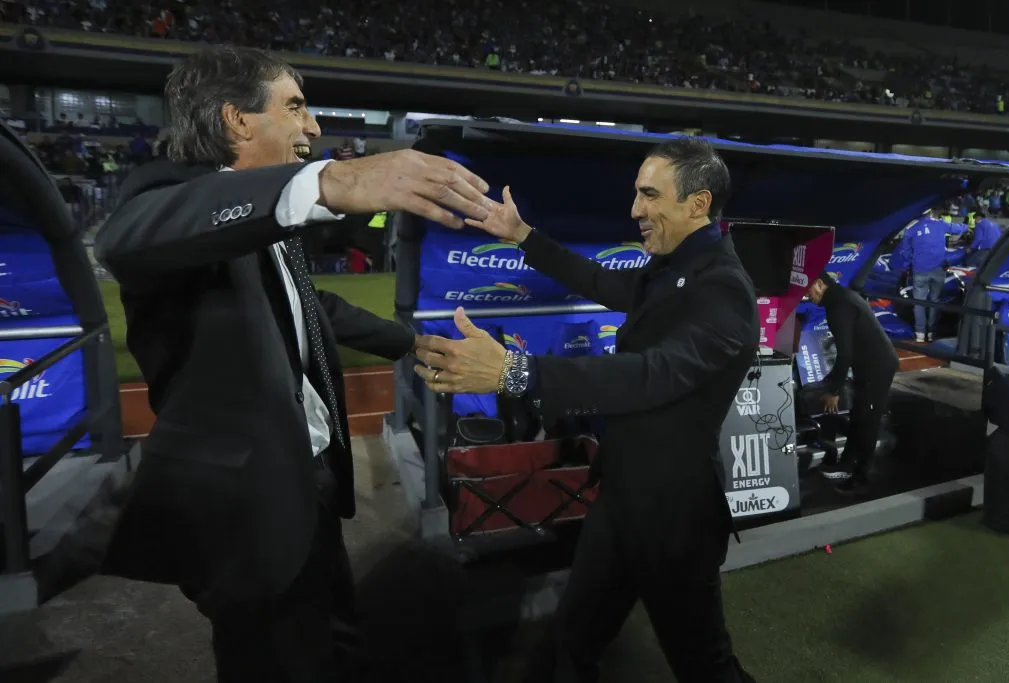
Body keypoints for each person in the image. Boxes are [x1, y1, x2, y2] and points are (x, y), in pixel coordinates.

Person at [94, 46, 491, 683]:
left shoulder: (265, 224)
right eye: (296, 107)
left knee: (330, 639)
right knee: (273, 659)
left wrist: (411, 342)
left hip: (304, 481)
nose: (312, 128)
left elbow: (306, 304)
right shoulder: (165, 192)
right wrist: (329, 181)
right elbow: (126, 237)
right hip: (242, 509)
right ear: (236, 120)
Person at [413, 138, 758, 682]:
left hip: (673, 517)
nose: (635, 210)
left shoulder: (724, 290)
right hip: (621, 497)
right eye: (636, 194)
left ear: (698, 204)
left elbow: (651, 376)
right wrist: (523, 236)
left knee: (704, 664)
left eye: (649, 195)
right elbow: (599, 281)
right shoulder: (668, 268)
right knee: (576, 636)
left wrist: (516, 372)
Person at [807, 274, 899, 495]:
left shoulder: (839, 305)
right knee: (859, 415)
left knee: (867, 420)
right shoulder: (843, 298)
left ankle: (862, 477)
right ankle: (846, 464)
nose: (807, 296)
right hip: (870, 364)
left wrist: (834, 391)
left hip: (877, 367)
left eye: (808, 289)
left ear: (820, 284)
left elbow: (845, 354)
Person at [893, 208, 967, 342]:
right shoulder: (940, 224)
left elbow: (905, 251)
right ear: (930, 213)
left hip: (919, 270)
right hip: (938, 269)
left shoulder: (911, 229)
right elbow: (958, 228)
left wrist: (912, 263)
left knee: (919, 303)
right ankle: (932, 332)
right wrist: (967, 226)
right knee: (935, 301)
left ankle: (920, 333)